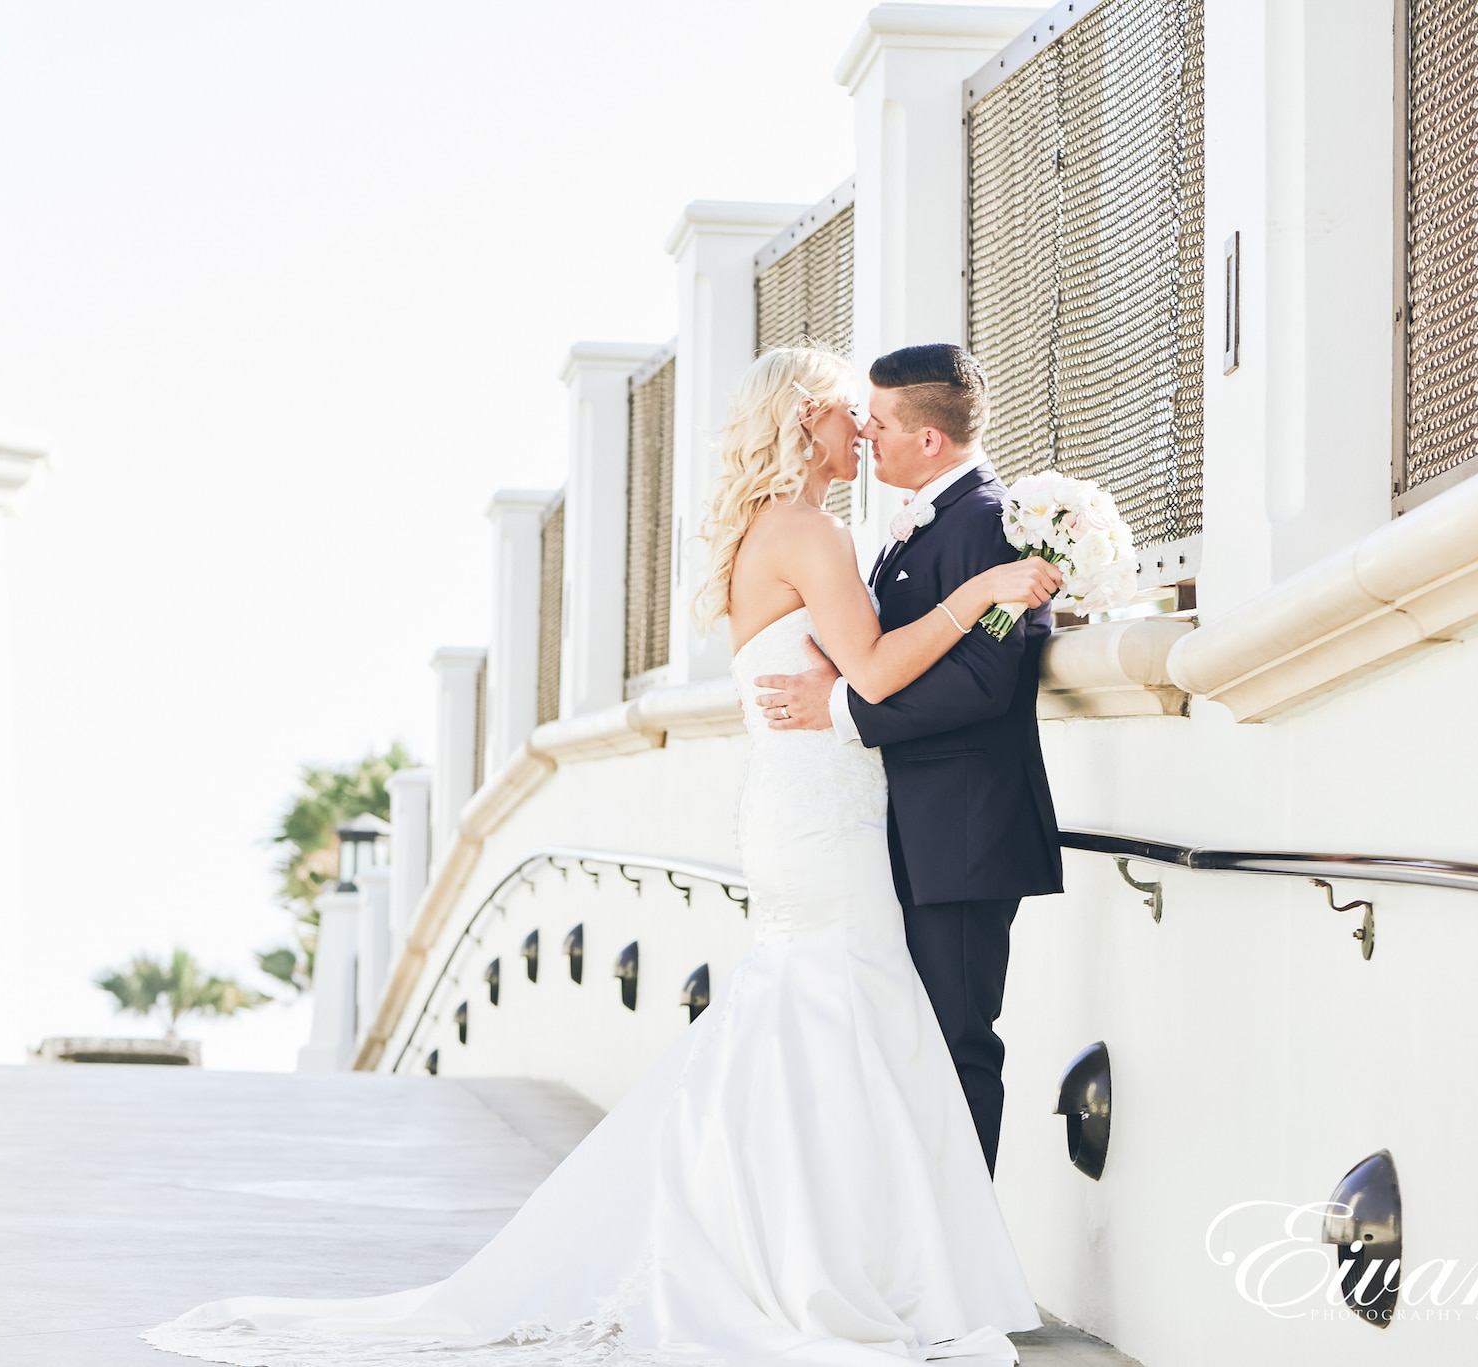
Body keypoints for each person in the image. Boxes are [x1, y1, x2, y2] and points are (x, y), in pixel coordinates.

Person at [146, 345, 1058, 1367]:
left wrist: (966, 606)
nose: (863, 431)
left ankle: (810, 1251)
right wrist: (986, 587)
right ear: (807, 419)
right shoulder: (806, 532)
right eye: (851, 413)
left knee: (812, 1030)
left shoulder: (787, 528)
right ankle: (827, 1262)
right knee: (832, 1020)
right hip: (820, 817)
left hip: (809, 808)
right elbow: (883, 670)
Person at [752, 342, 1065, 1176]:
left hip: (963, 838)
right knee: (915, 1051)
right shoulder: (925, 518)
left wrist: (844, 707)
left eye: (880, 420)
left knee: (958, 1048)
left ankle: (967, 1277)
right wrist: (834, 663)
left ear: (930, 441)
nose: (865, 429)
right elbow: (888, 644)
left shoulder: (993, 522)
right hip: (915, 833)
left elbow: (986, 683)